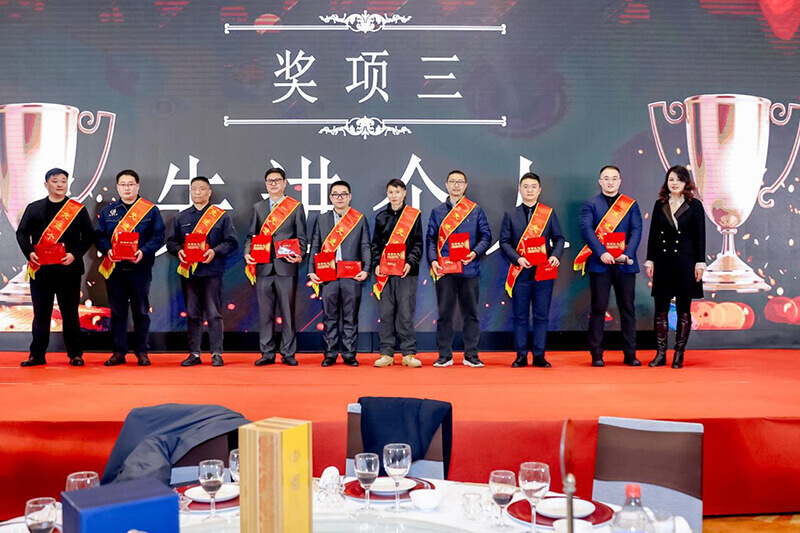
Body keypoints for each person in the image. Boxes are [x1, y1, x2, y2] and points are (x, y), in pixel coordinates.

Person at [15, 167, 94, 367]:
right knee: (41, 314)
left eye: (63, 181)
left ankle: (75, 354)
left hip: (69, 270)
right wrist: (29, 252)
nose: (60, 185)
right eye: (55, 181)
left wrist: (74, 254)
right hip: (42, 270)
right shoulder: (34, 208)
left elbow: (88, 236)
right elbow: (22, 233)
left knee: (70, 314)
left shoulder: (77, 209)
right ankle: (37, 355)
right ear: (46, 184)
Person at [575, 165, 643, 367]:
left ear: (620, 181)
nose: (610, 182)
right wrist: (601, 252)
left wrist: (627, 254)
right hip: (600, 263)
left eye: (614, 178)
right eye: (606, 178)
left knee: (627, 309)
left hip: (625, 264)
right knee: (598, 308)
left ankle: (630, 354)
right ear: (600, 181)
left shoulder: (630, 205)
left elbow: (637, 230)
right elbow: (586, 229)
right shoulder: (590, 204)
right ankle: (597, 354)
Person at [166, 176, 238, 367]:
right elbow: (171, 243)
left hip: (212, 271)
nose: (198, 192)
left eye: (202, 189)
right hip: (189, 273)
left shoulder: (220, 216)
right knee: (192, 313)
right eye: (194, 189)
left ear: (209, 192)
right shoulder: (181, 217)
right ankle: (194, 353)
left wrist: (214, 251)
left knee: (214, 313)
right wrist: (179, 251)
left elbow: (231, 242)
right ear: (190, 192)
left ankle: (217, 353)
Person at [96, 170, 165, 367]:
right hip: (115, 269)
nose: (127, 188)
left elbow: (158, 236)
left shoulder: (150, 210)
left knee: (141, 312)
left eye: (131, 184)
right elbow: (99, 236)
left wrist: (143, 251)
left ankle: (142, 351)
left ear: (137, 186)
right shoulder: (108, 211)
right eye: (123, 184)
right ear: (117, 187)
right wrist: (107, 250)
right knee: (118, 312)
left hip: (140, 269)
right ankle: (119, 352)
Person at [427, 170, 492, 368]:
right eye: (452, 182)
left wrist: (474, 252)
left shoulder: (475, 210)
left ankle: (471, 354)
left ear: (465, 186)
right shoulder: (437, 212)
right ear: (446, 185)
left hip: (469, 269)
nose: (456, 185)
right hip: (445, 270)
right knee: (444, 314)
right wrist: (433, 261)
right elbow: (431, 239)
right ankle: (444, 355)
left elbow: (486, 236)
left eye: (460, 182)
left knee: (471, 314)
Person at [499, 172, 565, 368]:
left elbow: (559, 238)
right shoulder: (511, 214)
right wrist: (518, 258)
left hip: (543, 272)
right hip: (520, 272)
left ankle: (539, 355)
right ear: (520, 189)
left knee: (541, 315)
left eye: (533, 186)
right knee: (520, 316)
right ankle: (521, 355)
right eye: (526, 186)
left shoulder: (548, 213)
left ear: (539, 190)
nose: (529, 190)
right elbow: (504, 242)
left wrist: (555, 256)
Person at [645, 165, 706, 369]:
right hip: (663, 261)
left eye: (679, 180)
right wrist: (650, 260)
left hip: (686, 262)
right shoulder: (659, 204)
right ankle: (661, 353)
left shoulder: (695, 205)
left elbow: (700, 236)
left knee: (683, 309)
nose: (674, 183)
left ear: (686, 183)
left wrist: (700, 262)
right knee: (660, 309)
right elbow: (653, 234)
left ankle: (679, 353)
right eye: (671, 179)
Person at [244, 167, 306, 366]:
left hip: (286, 266)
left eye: (277, 180)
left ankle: (288, 352)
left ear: (284, 183)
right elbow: (250, 236)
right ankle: (267, 352)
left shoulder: (295, 207)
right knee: (265, 313)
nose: (273, 184)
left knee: (288, 312)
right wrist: (247, 252)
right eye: (270, 181)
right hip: (263, 267)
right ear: (266, 184)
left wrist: (300, 253)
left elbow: (301, 237)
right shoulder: (258, 208)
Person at [308, 180, 371, 366]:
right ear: (330, 197)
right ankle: (330, 354)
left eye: (343, 194)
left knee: (351, 317)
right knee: (330, 317)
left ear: (350, 197)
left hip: (352, 274)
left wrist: (366, 269)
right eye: (336, 194)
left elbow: (365, 246)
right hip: (328, 274)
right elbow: (315, 246)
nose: (340, 198)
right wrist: (311, 271)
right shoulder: (322, 219)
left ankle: (350, 354)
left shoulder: (359, 219)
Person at [371, 179, 423, 368]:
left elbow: (418, 244)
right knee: (386, 313)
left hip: (406, 273)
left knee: (405, 313)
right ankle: (386, 353)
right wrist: (376, 264)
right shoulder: (381, 217)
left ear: (404, 193)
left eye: (397, 192)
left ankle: (408, 353)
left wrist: (410, 262)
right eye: (391, 192)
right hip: (385, 273)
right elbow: (375, 245)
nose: (394, 196)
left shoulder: (413, 216)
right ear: (387, 194)